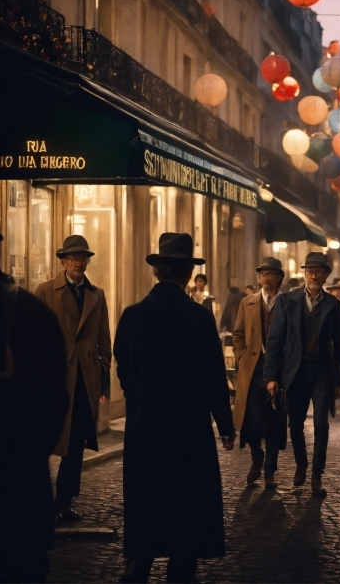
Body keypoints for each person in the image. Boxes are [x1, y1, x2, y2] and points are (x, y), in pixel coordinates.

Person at [114, 233, 235, 584]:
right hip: (188, 426)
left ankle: (140, 560)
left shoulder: (133, 316)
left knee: (146, 493)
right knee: (186, 495)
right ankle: (181, 565)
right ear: (185, 275)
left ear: (156, 273)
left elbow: (123, 364)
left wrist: (136, 393)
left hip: (145, 422)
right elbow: (213, 375)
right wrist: (225, 423)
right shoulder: (198, 318)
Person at [0, 233, 68, 583]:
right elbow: (56, 400)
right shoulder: (33, 311)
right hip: (20, 479)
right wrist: (29, 451)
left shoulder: (31, 310)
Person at [35, 235, 111, 523]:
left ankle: (63, 502)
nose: (79, 263)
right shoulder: (46, 291)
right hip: (53, 380)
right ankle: (40, 501)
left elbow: (104, 338)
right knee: (45, 439)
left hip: (84, 380)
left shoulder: (97, 294)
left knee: (75, 442)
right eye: (74, 258)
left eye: (83, 259)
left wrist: (101, 368)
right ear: (63, 261)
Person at [265, 251, 340, 498]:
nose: (312, 275)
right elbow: (275, 340)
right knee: (295, 423)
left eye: (317, 272)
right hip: (295, 370)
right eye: (309, 271)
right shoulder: (287, 301)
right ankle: (301, 462)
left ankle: (316, 475)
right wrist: (272, 375)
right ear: (304, 273)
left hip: (321, 371)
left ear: (325, 276)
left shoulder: (333, 305)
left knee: (322, 423)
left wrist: (338, 375)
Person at [233, 257, 287, 489]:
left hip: (280, 371)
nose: (265, 278)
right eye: (262, 274)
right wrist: (242, 356)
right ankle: (257, 458)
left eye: (270, 274)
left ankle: (269, 471)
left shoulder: (287, 303)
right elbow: (238, 334)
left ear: (279, 278)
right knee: (252, 422)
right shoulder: (248, 303)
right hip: (253, 371)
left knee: (274, 423)